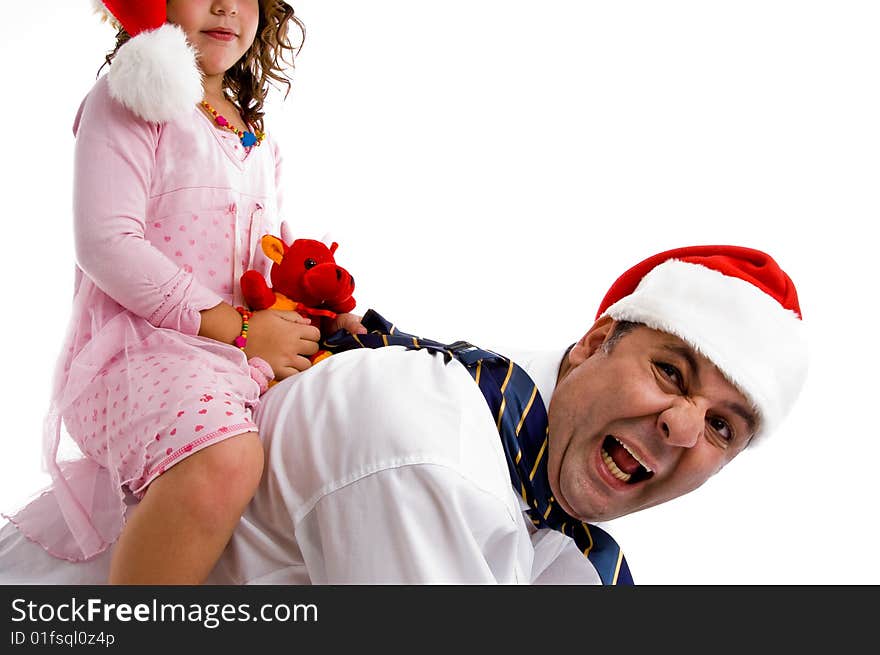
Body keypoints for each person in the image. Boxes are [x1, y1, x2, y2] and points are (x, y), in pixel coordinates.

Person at [0, 243, 808, 585]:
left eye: (724, 426)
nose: (681, 427)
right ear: (593, 343)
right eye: (670, 371)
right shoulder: (432, 445)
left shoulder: (556, 535)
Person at [1, 0, 361, 584]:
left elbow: (271, 250)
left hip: (235, 354)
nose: (225, 6)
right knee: (227, 455)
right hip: (135, 354)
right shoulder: (130, 101)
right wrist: (241, 330)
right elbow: (106, 242)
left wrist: (316, 308)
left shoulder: (257, 138)